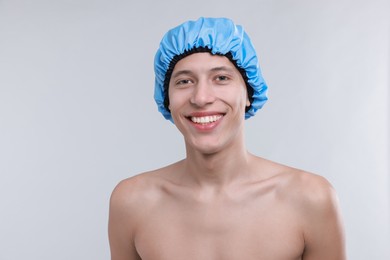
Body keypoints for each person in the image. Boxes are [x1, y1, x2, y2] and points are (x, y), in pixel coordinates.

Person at [108, 17, 346, 260]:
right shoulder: (131, 202)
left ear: (249, 93)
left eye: (221, 78)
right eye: (184, 81)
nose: (201, 98)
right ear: (167, 99)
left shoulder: (310, 198)